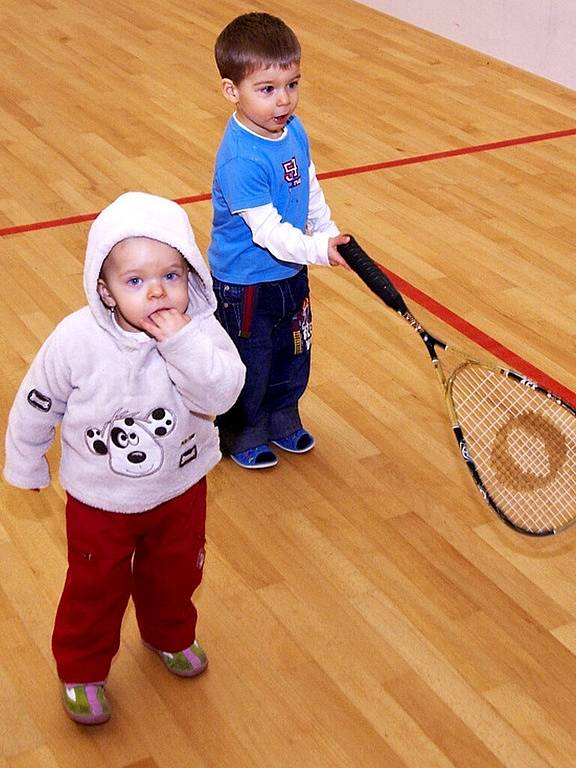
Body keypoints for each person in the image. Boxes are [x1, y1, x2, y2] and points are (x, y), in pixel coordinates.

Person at [3, 192, 245, 725]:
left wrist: (182, 344)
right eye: (134, 281)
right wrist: (25, 460)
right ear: (106, 291)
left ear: (191, 276)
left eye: (171, 275)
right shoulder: (76, 339)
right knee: (94, 588)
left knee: (177, 574)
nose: (156, 291)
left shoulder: (199, 331)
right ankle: (82, 669)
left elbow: (222, 397)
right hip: (100, 502)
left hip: (180, 490)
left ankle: (170, 635)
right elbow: (38, 399)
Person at [207, 11, 350, 469]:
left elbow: (307, 185)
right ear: (233, 91)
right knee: (251, 361)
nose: (283, 100)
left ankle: (282, 416)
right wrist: (319, 251)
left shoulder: (293, 131)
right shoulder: (240, 160)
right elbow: (267, 233)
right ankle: (242, 430)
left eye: (291, 84)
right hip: (245, 284)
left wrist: (325, 231)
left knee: (294, 350)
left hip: (290, 273)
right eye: (267, 90)